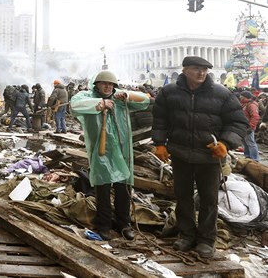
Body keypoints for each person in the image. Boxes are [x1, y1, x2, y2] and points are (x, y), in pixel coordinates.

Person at [152, 56, 247, 258]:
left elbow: (238, 123)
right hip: (180, 154)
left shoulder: (222, 94)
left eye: (204, 69)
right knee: (183, 197)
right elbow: (160, 120)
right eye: (196, 69)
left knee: (209, 199)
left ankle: (206, 240)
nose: (201, 73)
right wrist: (159, 143)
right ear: (185, 70)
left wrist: (225, 143)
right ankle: (187, 235)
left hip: (208, 157)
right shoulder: (169, 93)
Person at [71, 70, 149, 241]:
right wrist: (100, 104)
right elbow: (75, 105)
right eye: (104, 83)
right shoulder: (87, 96)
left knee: (123, 189)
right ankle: (104, 225)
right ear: (96, 84)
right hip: (102, 152)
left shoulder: (120, 100)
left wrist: (127, 94)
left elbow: (145, 100)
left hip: (122, 150)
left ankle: (124, 224)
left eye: (111, 84)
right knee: (103, 189)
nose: (108, 86)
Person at [240, 91, 260, 160]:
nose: (240, 97)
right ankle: (247, 157)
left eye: (241, 95)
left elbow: (255, 116)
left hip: (248, 127)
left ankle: (254, 159)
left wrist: (250, 127)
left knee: (250, 143)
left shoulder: (251, 105)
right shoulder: (244, 104)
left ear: (245, 97)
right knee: (245, 143)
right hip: (244, 127)